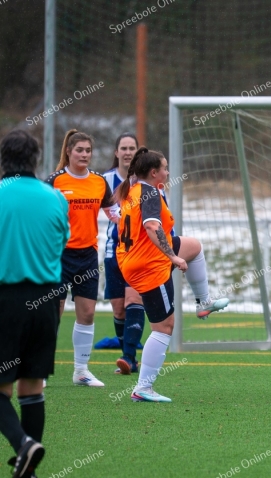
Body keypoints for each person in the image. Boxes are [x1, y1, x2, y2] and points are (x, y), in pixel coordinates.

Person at [115, 147, 229, 402]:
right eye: (165, 168)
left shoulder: (134, 188)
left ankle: (204, 302)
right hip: (148, 265)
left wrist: (176, 250)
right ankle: (143, 387)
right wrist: (173, 256)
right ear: (154, 172)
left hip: (132, 259)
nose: (168, 172)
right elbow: (153, 227)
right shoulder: (149, 193)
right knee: (164, 327)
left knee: (194, 246)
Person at [0, 130, 69, 478]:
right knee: (32, 386)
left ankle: (23, 445)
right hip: (45, 301)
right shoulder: (56, 197)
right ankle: (28, 470)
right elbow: (61, 242)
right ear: (35, 160)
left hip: (6, 300)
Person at [46, 130, 117, 388]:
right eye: (80, 150)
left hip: (87, 256)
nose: (84, 155)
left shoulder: (99, 182)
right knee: (53, 312)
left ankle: (81, 371)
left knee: (87, 313)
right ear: (69, 152)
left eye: (88, 151)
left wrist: (131, 221)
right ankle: (40, 371)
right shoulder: (55, 181)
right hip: (57, 256)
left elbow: (114, 212)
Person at [102, 133, 147, 374]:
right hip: (113, 253)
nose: (128, 152)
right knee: (119, 309)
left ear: (137, 152)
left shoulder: (148, 182)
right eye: (124, 148)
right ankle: (128, 355)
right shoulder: (105, 180)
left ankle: (129, 357)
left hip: (139, 254)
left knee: (134, 300)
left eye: (132, 148)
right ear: (116, 153)